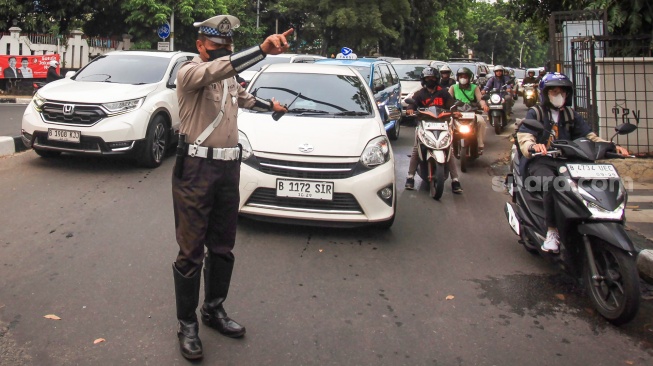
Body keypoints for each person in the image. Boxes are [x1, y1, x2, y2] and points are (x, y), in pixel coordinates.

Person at [171, 14, 291, 360]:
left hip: (227, 168)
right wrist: (262, 50)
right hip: (195, 169)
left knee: (223, 245)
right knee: (191, 250)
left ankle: (213, 309)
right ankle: (187, 324)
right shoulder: (190, 72)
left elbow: (243, 96)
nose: (222, 52)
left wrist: (273, 107)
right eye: (216, 47)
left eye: (227, 47)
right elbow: (218, 71)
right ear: (200, 46)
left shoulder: (228, 79)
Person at [516, 72, 629, 253]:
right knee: (552, 184)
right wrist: (533, 146)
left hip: (571, 161)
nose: (558, 95)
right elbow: (525, 135)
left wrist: (612, 146)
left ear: (568, 94)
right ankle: (552, 230)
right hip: (543, 161)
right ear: (545, 93)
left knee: (598, 182)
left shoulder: (571, 114)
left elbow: (589, 136)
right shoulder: (536, 112)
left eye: (562, 91)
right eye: (553, 91)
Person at [405, 66, 463, 193]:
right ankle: (410, 177)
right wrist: (410, 108)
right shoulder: (420, 93)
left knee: (449, 149)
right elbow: (412, 103)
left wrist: (455, 112)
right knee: (416, 148)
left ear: (437, 79)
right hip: (424, 125)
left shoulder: (443, 92)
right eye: (427, 78)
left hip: (442, 124)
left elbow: (451, 105)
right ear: (423, 80)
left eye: (432, 78)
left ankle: (455, 180)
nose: (430, 80)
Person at [448, 67, 489, 155]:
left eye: (465, 77)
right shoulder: (453, 87)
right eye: (461, 76)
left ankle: (480, 145)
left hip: (472, 112)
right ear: (458, 78)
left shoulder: (475, 87)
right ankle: (448, 145)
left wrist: (483, 105)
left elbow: (480, 99)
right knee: (448, 124)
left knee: (481, 122)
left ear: (469, 78)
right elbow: (447, 99)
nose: (463, 78)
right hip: (457, 113)